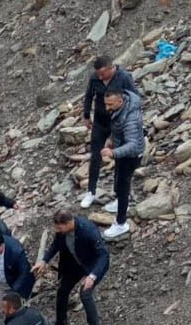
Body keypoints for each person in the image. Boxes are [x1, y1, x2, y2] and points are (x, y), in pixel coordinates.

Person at [33, 210, 110, 325]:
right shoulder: (62, 232)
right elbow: (56, 245)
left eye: (59, 227)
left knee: (85, 294)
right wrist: (44, 260)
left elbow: (103, 255)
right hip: (74, 264)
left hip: (92, 266)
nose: (57, 230)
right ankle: (61, 323)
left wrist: (92, 276)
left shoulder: (88, 231)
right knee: (62, 290)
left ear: (68, 223)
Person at [80, 55, 139, 209]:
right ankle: (91, 191)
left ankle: (119, 197)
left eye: (103, 74)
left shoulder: (124, 77)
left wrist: (131, 119)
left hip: (118, 124)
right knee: (96, 155)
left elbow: (135, 98)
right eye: (98, 74)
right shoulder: (95, 78)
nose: (100, 77)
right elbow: (88, 96)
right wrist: (86, 115)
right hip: (100, 122)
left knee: (119, 159)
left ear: (112, 68)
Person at [100, 88, 145, 241]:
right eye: (106, 104)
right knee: (118, 178)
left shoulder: (131, 118)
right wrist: (112, 138)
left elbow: (132, 144)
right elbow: (117, 126)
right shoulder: (121, 108)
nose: (107, 108)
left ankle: (121, 222)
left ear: (120, 101)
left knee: (123, 184)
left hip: (130, 155)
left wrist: (113, 153)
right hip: (121, 150)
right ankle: (119, 201)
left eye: (110, 105)